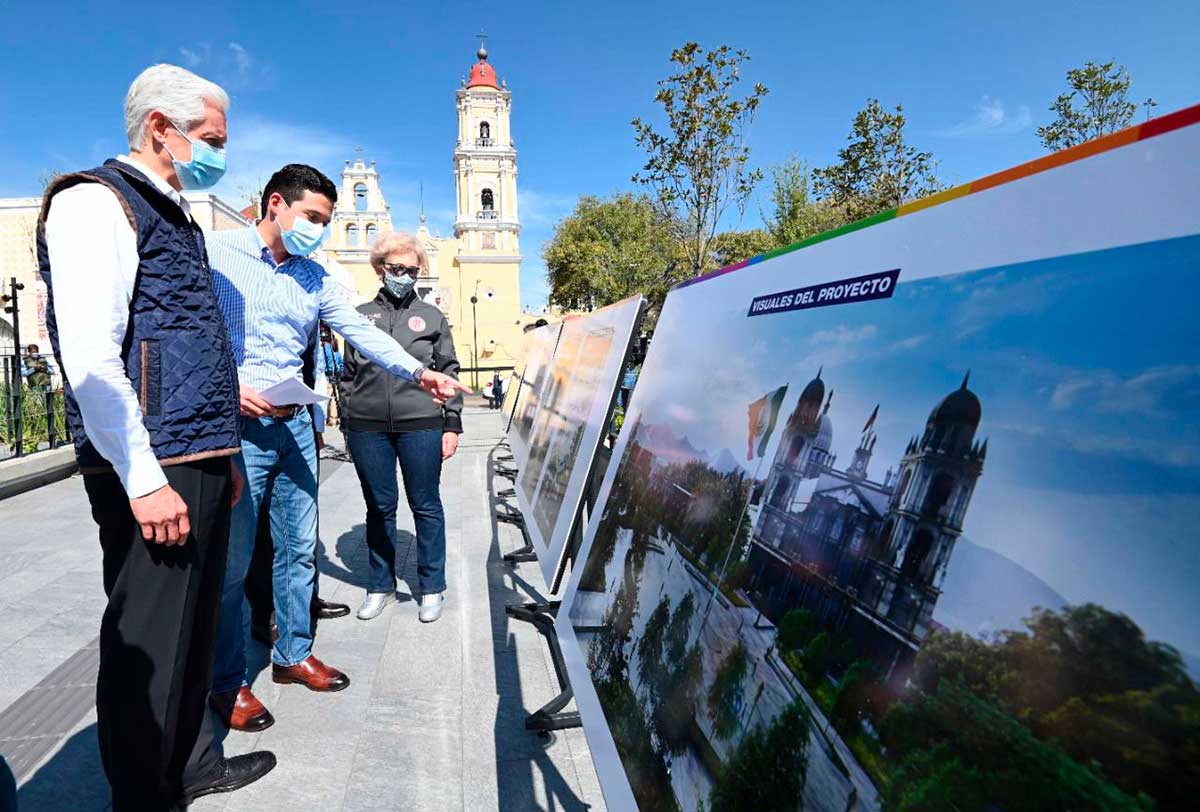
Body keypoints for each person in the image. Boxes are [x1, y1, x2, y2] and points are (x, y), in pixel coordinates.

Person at [36, 64, 275, 810]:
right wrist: (142, 476)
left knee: (196, 625)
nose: (219, 154)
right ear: (160, 130)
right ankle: (144, 793)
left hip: (198, 454)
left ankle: (194, 761)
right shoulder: (93, 202)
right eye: (210, 139)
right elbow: (91, 355)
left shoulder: (170, 208)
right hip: (154, 462)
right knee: (151, 636)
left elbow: (188, 341)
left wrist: (224, 454)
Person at [208, 165, 470, 733]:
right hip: (240, 426)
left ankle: (292, 653)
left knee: (300, 547)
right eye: (314, 219)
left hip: (294, 424)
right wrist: (227, 387)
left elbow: (360, 332)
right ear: (275, 203)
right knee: (234, 560)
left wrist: (419, 374)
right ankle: (227, 683)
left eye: (328, 222)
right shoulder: (214, 253)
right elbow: (186, 331)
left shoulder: (315, 276)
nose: (321, 231)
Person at [339, 232, 462, 623]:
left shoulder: (432, 316)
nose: (405, 275)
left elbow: (449, 370)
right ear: (380, 269)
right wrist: (348, 414)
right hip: (367, 427)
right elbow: (348, 372)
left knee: (426, 505)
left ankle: (432, 587)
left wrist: (451, 424)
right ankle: (380, 586)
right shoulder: (359, 315)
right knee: (379, 507)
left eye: (412, 270)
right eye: (396, 269)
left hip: (421, 424)